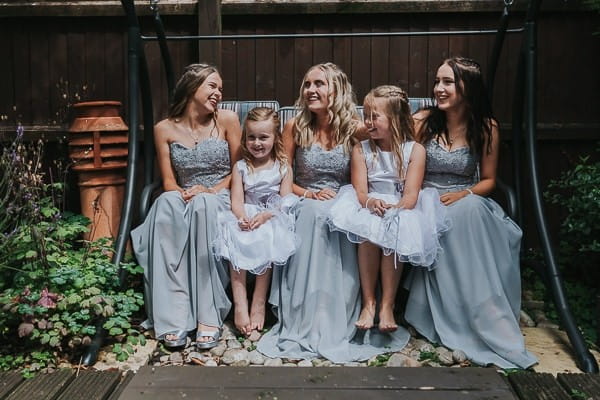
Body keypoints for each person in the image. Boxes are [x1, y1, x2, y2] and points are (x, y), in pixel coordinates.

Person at [257, 63, 409, 363]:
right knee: (314, 213)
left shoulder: (355, 127)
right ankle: (305, 315)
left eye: (319, 84)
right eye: (307, 84)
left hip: (345, 199)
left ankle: (342, 312)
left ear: (336, 90)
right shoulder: (294, 127)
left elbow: (396, 133)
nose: (311, 90)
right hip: (303, 198)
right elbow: (283, 180)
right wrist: (309, 194)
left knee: (335, 216)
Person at [404, 57, 537, 369]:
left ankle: (486, 312)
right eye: (437, 81)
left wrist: (465, 192)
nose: (438, 88)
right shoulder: (423, 121)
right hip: (425, 197)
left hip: (466, 196)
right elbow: (397, 156)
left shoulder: (486, 127)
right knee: (454, 214)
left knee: (472, 209)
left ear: (468, 87)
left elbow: (489, 180)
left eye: (447, 82)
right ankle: (459, 314)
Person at [130, 63, 241, 349]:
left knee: (204, 204)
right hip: (185, 194)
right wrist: (183, 193)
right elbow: (168, 181)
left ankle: (208, 315)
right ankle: (173, 317)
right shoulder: (163, 129)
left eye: (221, 88)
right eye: (212, 86)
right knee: (165, 204)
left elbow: (240, 170)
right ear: (193, 88)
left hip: (222, 194)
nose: (218, 93)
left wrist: (210, 190)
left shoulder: (227, 120)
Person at [327, 85, 448, 332]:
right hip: (369, 204)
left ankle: (387, 305)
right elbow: (360, 190)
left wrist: (396, 208)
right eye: (366, 115)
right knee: (368, 233)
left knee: (395, 229)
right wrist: (371, 203)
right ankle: (368, 301)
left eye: (375, 116)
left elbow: (412, 194)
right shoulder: (361, 148)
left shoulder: (415, 150)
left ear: (395, 119)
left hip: (400, 205)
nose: (368, 122)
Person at [212, 107, 299, 336]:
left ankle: (259, 302)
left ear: (275, 138)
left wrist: (266, 215)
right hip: (246, 214)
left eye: (263, 137)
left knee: (267, 236)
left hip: (271, 215)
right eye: (251, 137)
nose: (257, 143)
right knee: (234, 237)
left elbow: (285, 199)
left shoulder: (283, 167)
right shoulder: (240, 167)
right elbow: (237, 201)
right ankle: (240, 303)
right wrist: (242, 218)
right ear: (244, 139)